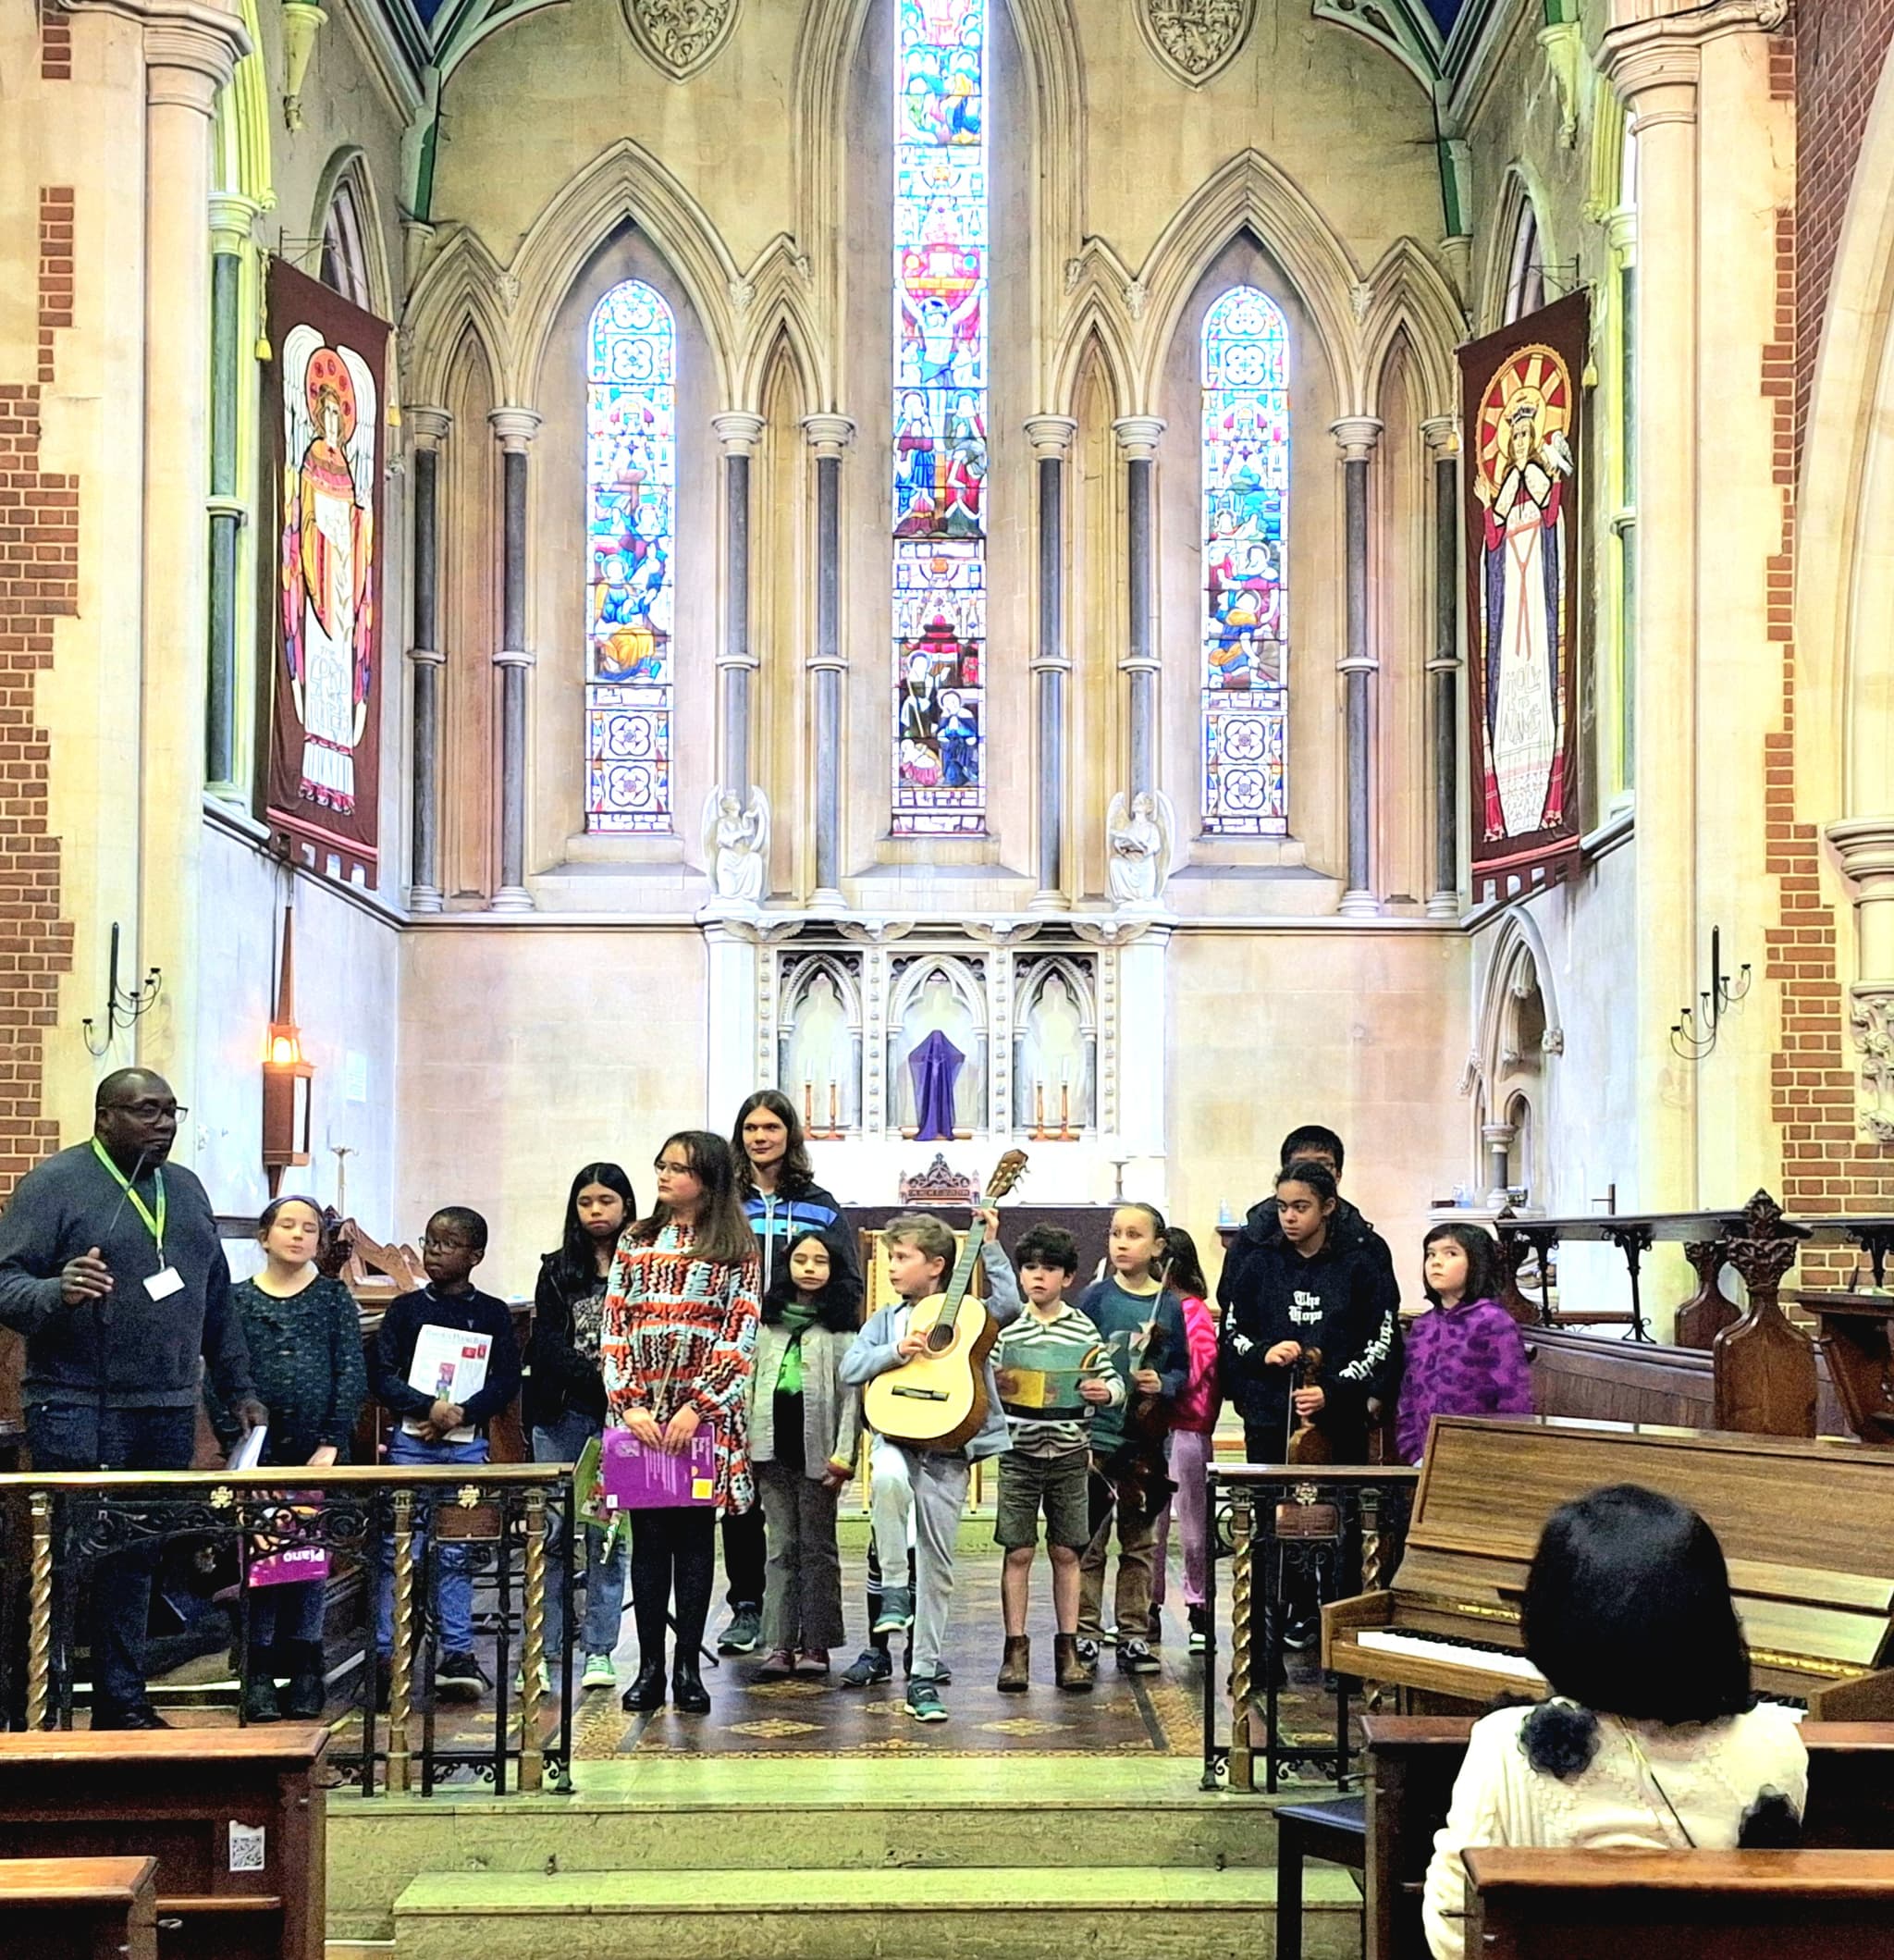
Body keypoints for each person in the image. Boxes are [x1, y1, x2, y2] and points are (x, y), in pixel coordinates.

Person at [1422, 1485, 1809, 1960]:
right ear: (1709, 1615)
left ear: (1557, 1614)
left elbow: (1452, 1930)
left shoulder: (1504, 1745)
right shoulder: (1776, 1742)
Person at [0, 1068, 265, 1728]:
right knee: (65, 1554)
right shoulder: (54, 1184)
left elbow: (216, 1300)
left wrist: (238, 1387)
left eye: (171, 1111)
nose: (163, 1123)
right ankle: (36, 1702)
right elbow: (6, 1285)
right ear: (105, 1117)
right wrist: (56, 1289)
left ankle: (122, 1702)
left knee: (139, 1557)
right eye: (147, 1111)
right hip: (74, 1403)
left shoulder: (186, 1188)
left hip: (167, 1406)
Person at [601, 1131, 759, 1717]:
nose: (664, 1176)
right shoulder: (636, 1240)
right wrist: (631, 1405)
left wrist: (699, 1406)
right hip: (642, 1416)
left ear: (708, 1179)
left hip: (701, 1420)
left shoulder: (737, 1247)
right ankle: (648, 1667)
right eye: (661, 1165)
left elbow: (740, 1332)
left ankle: (688, 1667)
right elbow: (615, 1327)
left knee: (694, 1543)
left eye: (678, 1168)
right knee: (649, 1544)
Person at [841, 1209, 1019, 1723]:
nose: (892, 1267)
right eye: (891, 1257)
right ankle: (895, 1587)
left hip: (948, 1449)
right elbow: (851, 1366)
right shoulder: (885, 1320)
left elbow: (1009, 1304)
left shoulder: (969, 1315)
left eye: (902, 1257)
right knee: (887, 1477)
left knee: (938, 1567)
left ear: (937, 1265)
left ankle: (922, 1674)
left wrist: (990, 1245)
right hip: (896, 1436)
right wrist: (895, 1352)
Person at [212, 1194, 365, 1722]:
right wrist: (236, 1440)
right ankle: (257, 1671)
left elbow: (350, 1372)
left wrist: (332, 1440)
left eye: (309, 1229)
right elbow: (222, 1373)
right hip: (257, 1453)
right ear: (264, 1236)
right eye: (287, 1226)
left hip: (315, 1454)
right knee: (260, 1560)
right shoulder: (237, 1300)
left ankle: (304, 1667)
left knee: (305, 1562)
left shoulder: (332, 1299)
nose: (298, 1235)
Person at [721, 1090, 857, 1659]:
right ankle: (747, 1608)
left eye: (771, 1128)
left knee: (809, 1534)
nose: (760, 1137)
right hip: (743, 1344)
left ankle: (815, 1638)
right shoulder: (727, 1201)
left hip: (806, 1348)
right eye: (751, 1128)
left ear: (789, 1135)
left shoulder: (820, 1205)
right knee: (743, 1499)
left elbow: (844, 1273)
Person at [371, 1206, 521, 1707]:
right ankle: (387, 1651)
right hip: (410, 1446)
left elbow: (504, 1380)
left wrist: (461, 1413)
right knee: (398, 1550)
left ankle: (457, 1652)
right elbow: (383, 1375)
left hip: (466, 1446)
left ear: (475, 1255)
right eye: (430, 1242)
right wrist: (427, 1408)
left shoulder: (493, 1313)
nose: (435, 1252)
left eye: (448, 1244)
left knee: (457, 1550)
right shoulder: (406, 1309)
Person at [990, 1223, 1120, 1695]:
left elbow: (1111, 1378)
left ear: (1067, 1277)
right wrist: (995, 1383)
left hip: (1069, 1454)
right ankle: (1015, 1651)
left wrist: (1106, 1391)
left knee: (1067, 1551)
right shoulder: (1008, 1329)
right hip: (1019, 1454)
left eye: (1049, 1269)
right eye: (1029, 1268)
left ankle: (1069, 1650)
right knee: (1018, 1550)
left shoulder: (1082, 1326)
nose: (1038, 1277)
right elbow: (983, 1379)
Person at [526, 1163, 638, 1695]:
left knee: (607, 1537)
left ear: (625, 1206)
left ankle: (599, 1650)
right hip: (563, 1413)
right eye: (586, 1202)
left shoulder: (644, 1266)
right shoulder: (555, 1270)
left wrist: (622, 1390)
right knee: (550, 1534)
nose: (596, 1211)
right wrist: (600, 1379)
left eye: (606, 1201)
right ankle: (544, 1650)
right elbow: (546, 1344)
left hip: (622, 1419)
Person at [1219, 1123, 1403, 1436]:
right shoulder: (1255, 1250)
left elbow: (1381, 1331)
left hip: (1341, 1405)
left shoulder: (1363, 1251)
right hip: (1267, 1403)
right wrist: (1260, 1356)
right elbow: (1234, 1321)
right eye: (1283, 1207)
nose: (1289, 1216)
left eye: (1300, 1207)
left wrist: (1346, 1390)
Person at [1073, 1203, 1188, 1681]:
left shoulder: (1171, 1305)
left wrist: (1163, 1383)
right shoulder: (1096, 1298)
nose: (1122, 1243)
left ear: (1158, 1247)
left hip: (1145, 1439)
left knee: (1140, 1543)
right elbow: (1078, 1354)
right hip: (1097, 1436)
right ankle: (1083, 1630)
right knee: (1089, 1542)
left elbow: (1181, 1369)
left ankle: (1133, 1632)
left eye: (1134, 1235)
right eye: (1116, 1233)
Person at [751, 1227, 863, 1680]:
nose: (810, 1269)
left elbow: (852, 1402)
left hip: (820, 1458)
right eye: (801, 1260)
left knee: (818, 1549)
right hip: (771, 1454)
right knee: (780, 1548)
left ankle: (817, 1642)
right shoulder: (767, 1328)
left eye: (820, 1261)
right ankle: (779, 1643)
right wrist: (745, 1448)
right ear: (787, 1266)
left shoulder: (842, 1333)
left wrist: (845, 1454)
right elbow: (750, 1386)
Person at [1396, 1223, 1532, 1467]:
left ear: (1477, 1263)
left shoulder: (1493, 1321)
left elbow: (1513, 1397)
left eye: (1451, 1253)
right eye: (1431, 1254)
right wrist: (1413, 1451)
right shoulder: (1423, 1325)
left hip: (1479, 1458)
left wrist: (1502, 1455)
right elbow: (1409, 1395)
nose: (1436, 1262)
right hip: (1424, 1456)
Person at [1149, 1226, 1219, 1652]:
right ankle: (1147, 1607)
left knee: (1193, 1528)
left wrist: (1162, 1379)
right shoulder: (1149, 1304)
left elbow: (1196, 1367)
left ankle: (1199, 1607)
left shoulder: (1194, 1311)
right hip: (1149, 1427)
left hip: (1187, 1425)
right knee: (1150, 1529)